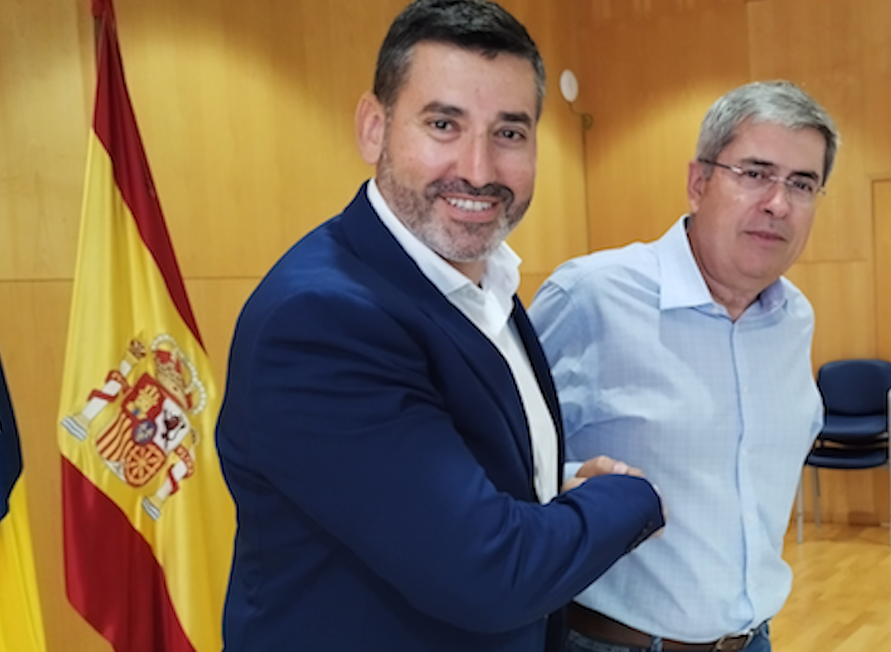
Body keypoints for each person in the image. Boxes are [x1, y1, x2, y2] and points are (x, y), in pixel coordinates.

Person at [214, 1, 664, 650]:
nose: (479, 170)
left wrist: (550, 493)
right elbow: (490, 572)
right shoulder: (320, 321)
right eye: (444, 123)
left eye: (509, 132)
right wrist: (628, 498)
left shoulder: (484, 284)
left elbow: (447, 491)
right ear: (374, 128)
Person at [529, 80, 839, 652]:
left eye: (802, 183)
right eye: (755, 172)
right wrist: (570, 481)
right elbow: (502, 465)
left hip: (752, 640)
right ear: (699, 182)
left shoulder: (794, 317)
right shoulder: (590, 297)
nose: (778, 202)